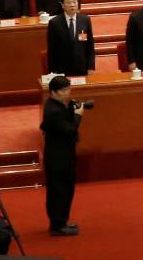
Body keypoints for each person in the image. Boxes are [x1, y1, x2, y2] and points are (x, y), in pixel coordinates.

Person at [41, 76, 84, 236]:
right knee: (59, 190)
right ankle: (57, 225)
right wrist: (78, 115)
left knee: (66, 188)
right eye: (63, 90)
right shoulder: (52, 110)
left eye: (68, 89)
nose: (67, 93)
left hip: (63, 153)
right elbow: (69, 129)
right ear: (53, 92)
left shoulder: (58, 105)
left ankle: (62, 221)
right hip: (57, 156)